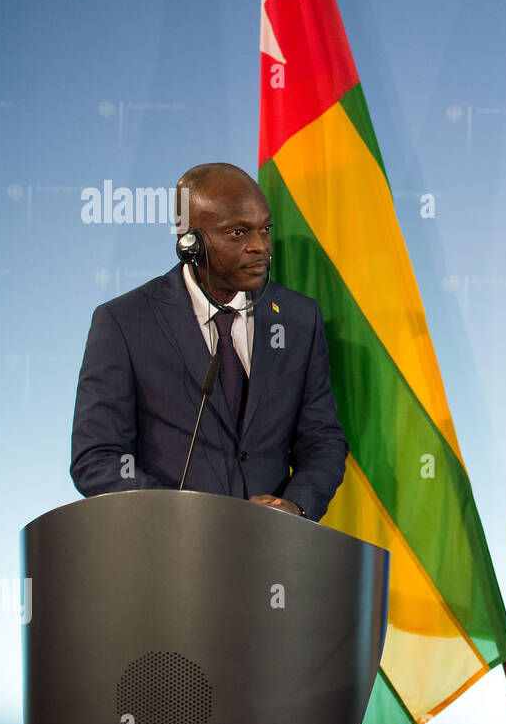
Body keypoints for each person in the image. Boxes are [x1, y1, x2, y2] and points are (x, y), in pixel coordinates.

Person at [70, 163, 347, 520]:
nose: (259, 247)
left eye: (265, 229)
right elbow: (98, 458)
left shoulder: (298, 318)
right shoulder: (124, 322)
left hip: (275, 553)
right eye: (237, 232)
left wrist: (294, 506)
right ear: (190, 243)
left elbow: (322, 439)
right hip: (174, 554)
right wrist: (196, 518)